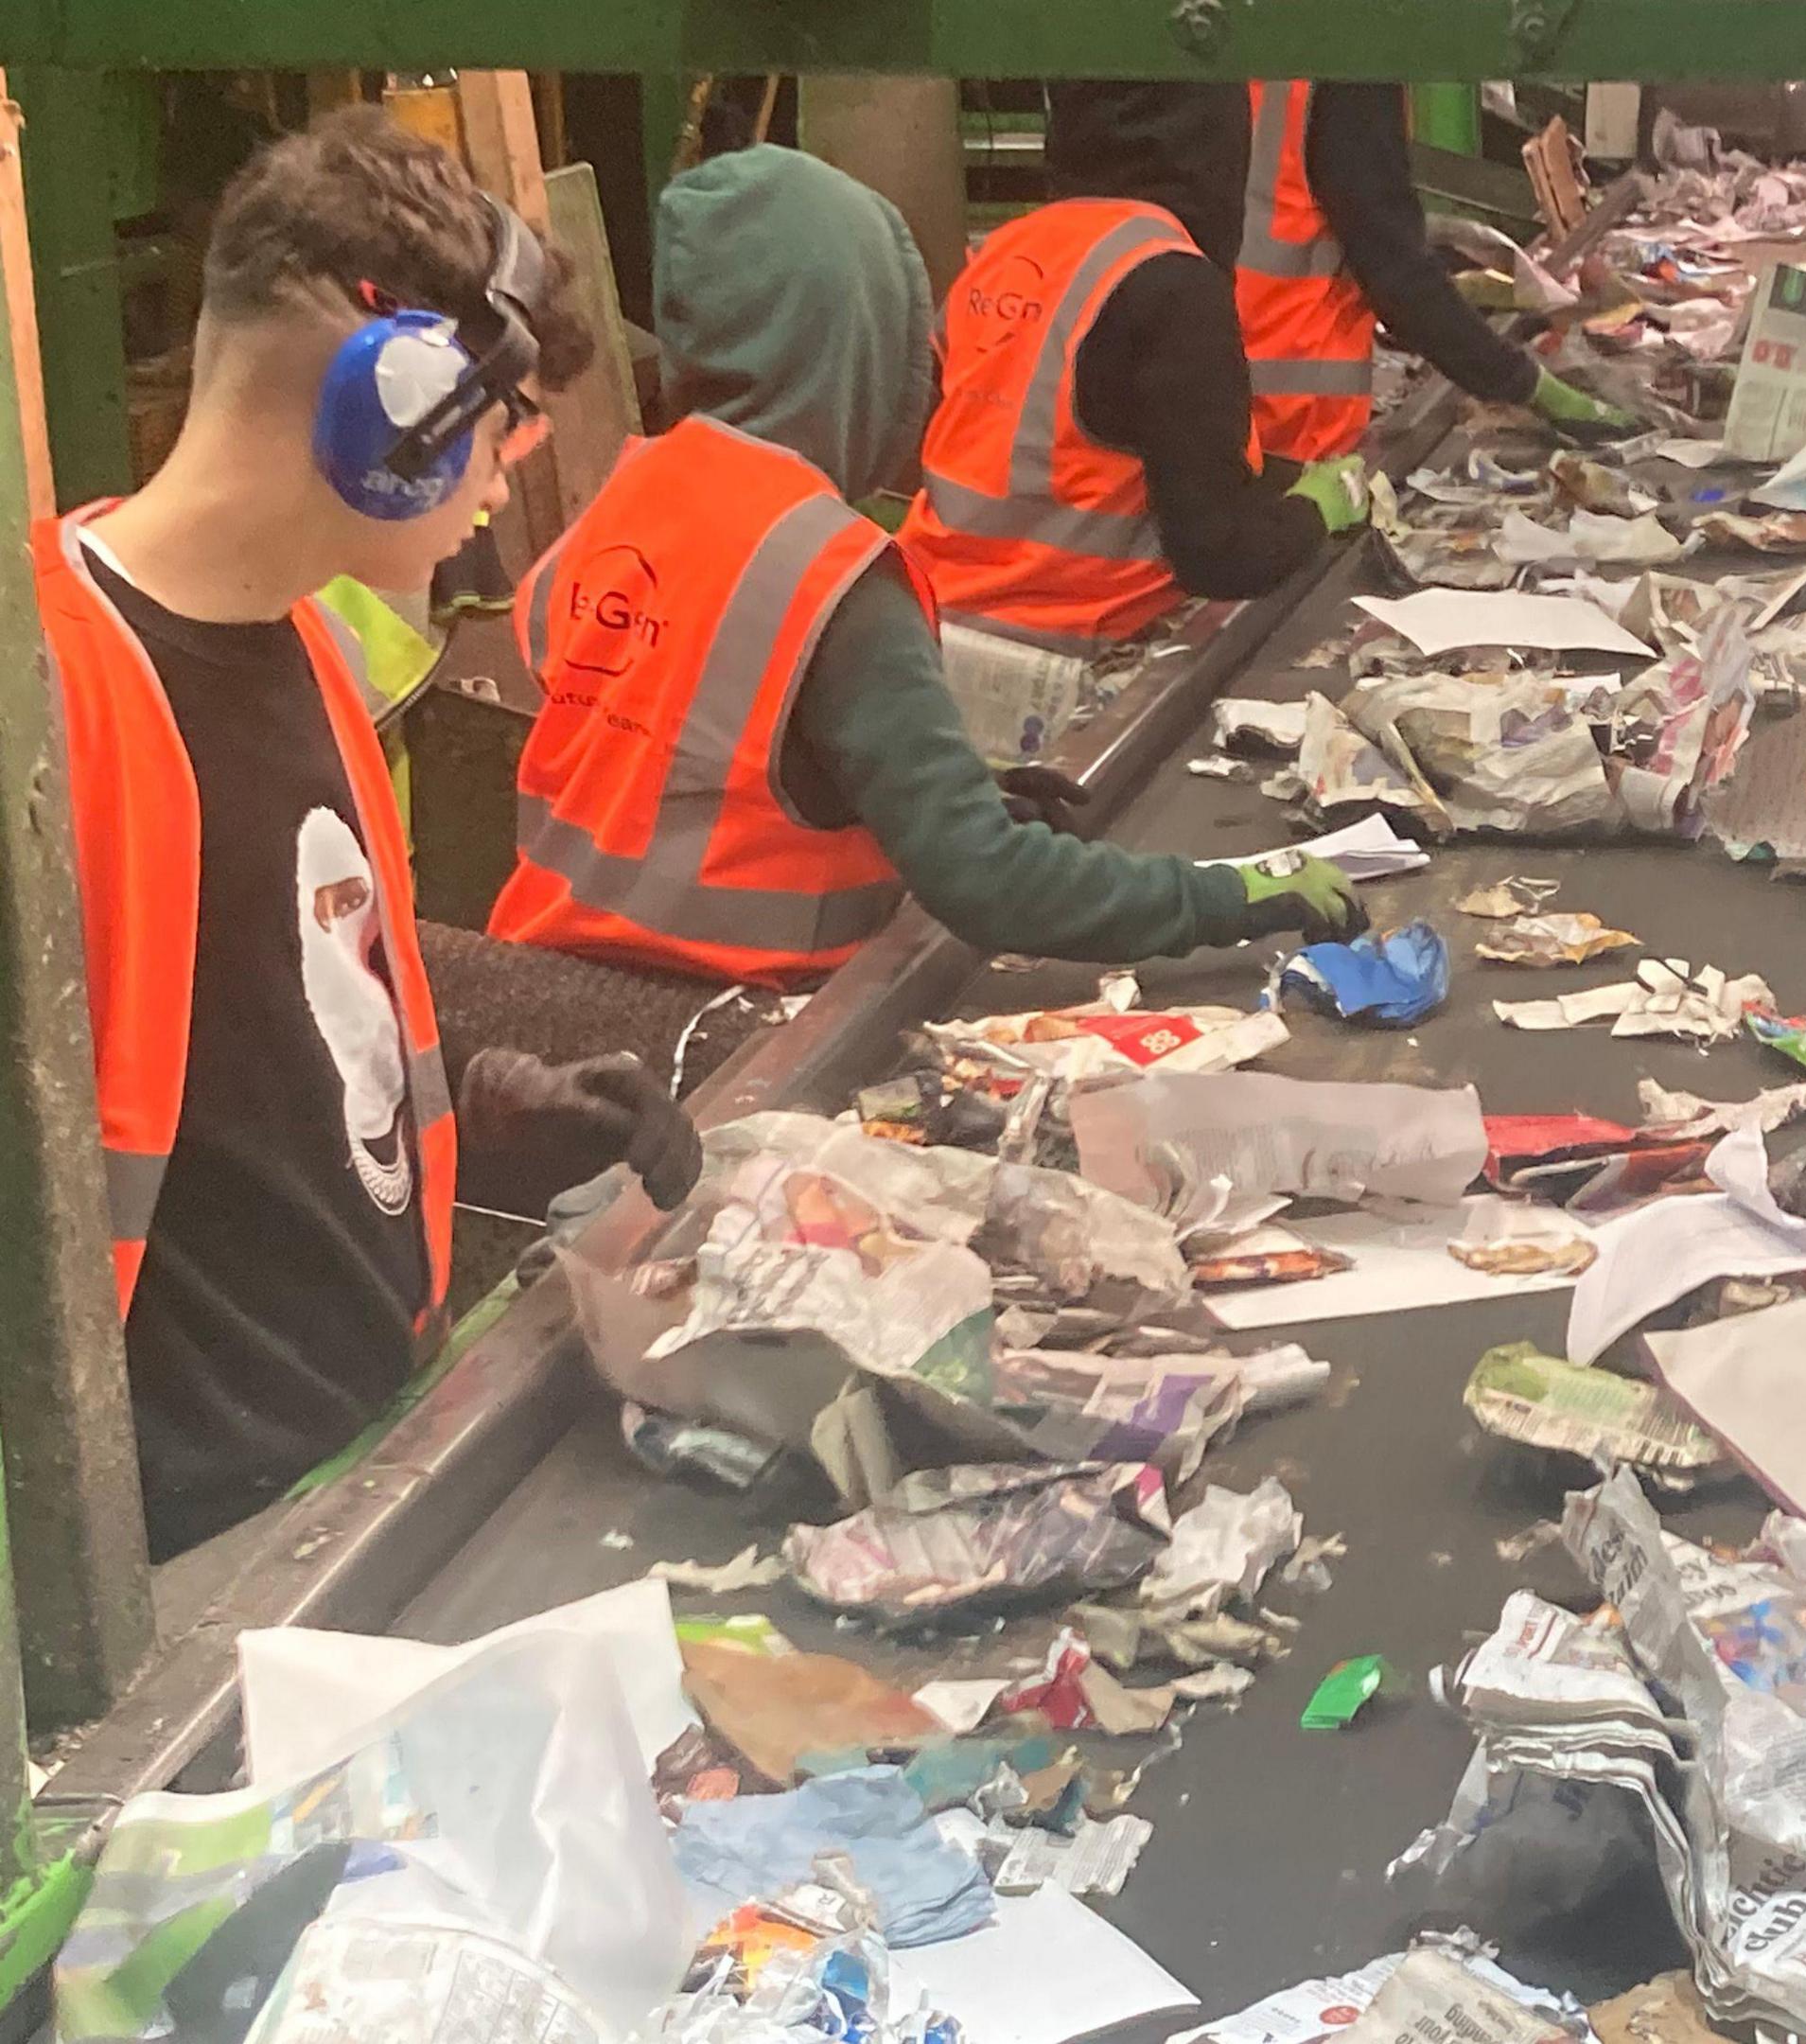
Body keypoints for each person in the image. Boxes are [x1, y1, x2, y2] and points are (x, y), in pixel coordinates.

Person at [36, 109, 704, 1559]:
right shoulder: (48, 698)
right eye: (494, 428)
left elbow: (267, 1029)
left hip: (354, 1461)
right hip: (183, 1537)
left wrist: (479, 1112)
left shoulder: (323, 655)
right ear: (390, 395)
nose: (501, 479)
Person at [492, 146, 1365, 992]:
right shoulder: (829, 577)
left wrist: (929, 783)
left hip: (547, 984)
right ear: (858, 350)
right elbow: (991, 886)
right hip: (725, 1019)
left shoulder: (624, 504)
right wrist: (1232, 894)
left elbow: (690, 758)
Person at [897, 80, 1361, 659]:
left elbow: (1067, 461)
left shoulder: (1005, 252)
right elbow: (1219, 559)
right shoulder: (1170, 283)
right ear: (1215, 148)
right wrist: (1320, 506)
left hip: (931, 627)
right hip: (1069, 657)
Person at [1238, 80, 1637, 459]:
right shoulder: (1347, 63)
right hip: (1289, 422)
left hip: (1211, 399)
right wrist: (1530, 386)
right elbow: (1395, 269)